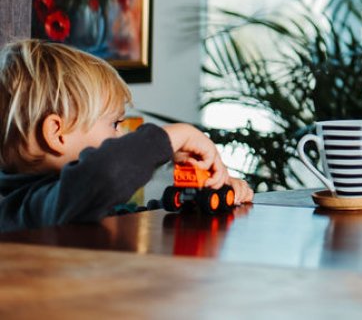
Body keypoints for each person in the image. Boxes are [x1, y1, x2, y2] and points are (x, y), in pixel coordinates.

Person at [0, 38, 253, 231]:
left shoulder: (64, 198)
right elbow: (105, 173)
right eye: (114, 124)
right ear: (57, 133)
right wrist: (175, 135)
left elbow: (126, 217)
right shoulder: (27, 208)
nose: (121, 135)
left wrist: (199, 200)